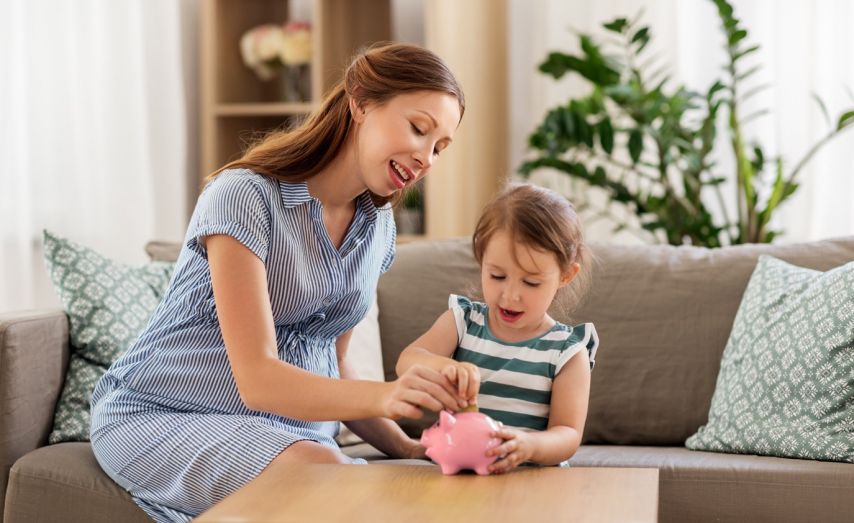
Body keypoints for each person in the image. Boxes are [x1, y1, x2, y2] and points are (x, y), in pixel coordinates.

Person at [89, 43, 466, 522]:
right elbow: (258, 379)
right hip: (163, 413)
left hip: (288, 435)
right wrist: (389, 392)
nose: (427, 158)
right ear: (361, 102)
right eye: (418, 128)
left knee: (340, 475)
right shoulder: (243, 196)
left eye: (440, 147)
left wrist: (408, 447)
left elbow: (336, 364)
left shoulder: (379, 229)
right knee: (323, 473)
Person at [396, 183, 599, 474]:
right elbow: (407, 361)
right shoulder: (463, 322)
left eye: (531, 282)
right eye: (497, 275)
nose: (510, 295)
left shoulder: (567, 352)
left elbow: (567, 434)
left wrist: (529, 445)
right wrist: (441, 366)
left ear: (566, 275)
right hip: (458, 475)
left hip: (528, 480)